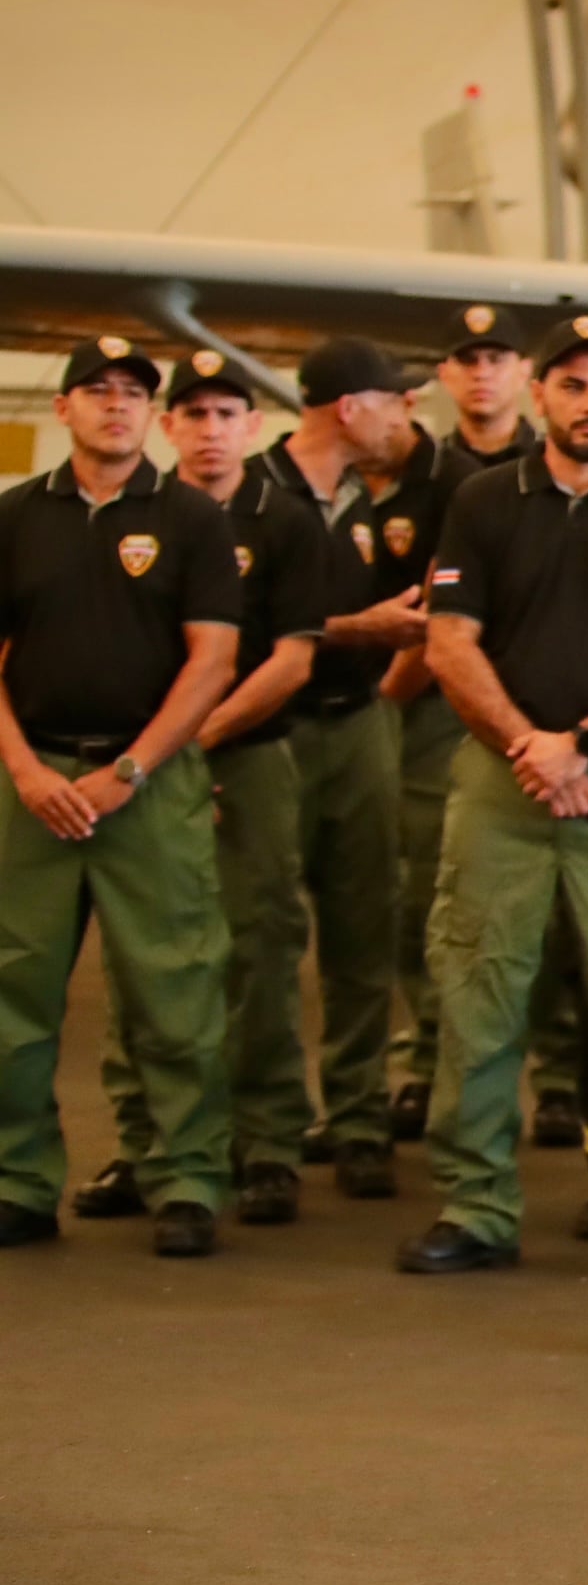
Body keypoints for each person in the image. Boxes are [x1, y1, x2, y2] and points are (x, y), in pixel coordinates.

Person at [392, 315, 588, 1274]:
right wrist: (527, 748)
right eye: (574, 386)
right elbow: (450, 640)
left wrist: (580, 745)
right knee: (477, 987)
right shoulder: (481, 502)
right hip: (502, 783)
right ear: (539, 395)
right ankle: (474, 1205)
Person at [0, 339, 243, 1256]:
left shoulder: (190, 519)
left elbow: (211, 658)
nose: (115, 405)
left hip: (149, 785)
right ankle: (19, 1182)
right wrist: (26, 772)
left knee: (173, 989)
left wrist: (130, 770)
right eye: (96, 391)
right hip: (33, 785)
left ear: (153, 415)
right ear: (60, 409)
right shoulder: (16, 516)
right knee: (13, 995)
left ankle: (184, 1178)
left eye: (134, 393)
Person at [77, 350, 325, 1229]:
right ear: (167, 426)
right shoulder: (131, 517)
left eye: (229, 414)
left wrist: (190, 743)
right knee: (142, 956)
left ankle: (264, 1146)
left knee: (257, 950)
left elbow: (292, 658)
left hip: (245, 757)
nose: (211, 430)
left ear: (252, 430)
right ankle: (143, 1145)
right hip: (137, 769)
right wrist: (160, 756)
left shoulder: (289, 523)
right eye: (194, 414)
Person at [258, 336, 440, 1201]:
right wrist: (358, 629)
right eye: (395, 403)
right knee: (261, 934)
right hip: (273, 733)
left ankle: (360, 1117)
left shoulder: (371, 503)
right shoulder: (252, 496)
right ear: (350, 407)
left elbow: (404, 615)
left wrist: (383, 676)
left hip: (359, 723)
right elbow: (240, 628)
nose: (405, 418)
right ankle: (269, 1126)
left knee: (366, 928)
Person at [388, 301, 538, 1144]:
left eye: (499, 358)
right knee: (434, 896)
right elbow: (424, 613)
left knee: (559, 913)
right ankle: (429, 1057)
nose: (483, 373)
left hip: (549, 719)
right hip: (440, 709)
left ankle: (554, 1076)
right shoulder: (425, 479)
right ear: (444, 377)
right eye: (466, 359)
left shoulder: (556, 467)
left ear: (525, 376)